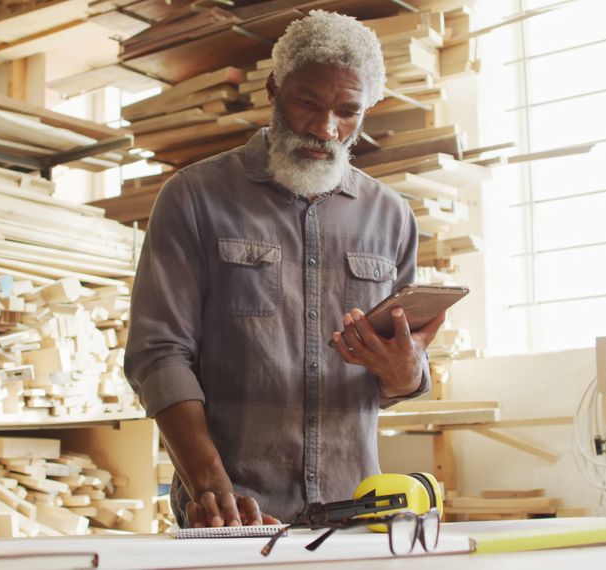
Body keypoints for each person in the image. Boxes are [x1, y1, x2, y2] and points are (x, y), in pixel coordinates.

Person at [124, 10, 444, 528]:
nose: (325, 128)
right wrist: (209, 482)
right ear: (274, 88)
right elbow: (157, 354)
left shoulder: (392, 217)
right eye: (308, 102)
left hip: (355, 510)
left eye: (348, 111)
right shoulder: (195, 198)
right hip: (231, 513)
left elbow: (392, 381)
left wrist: (406, 373)